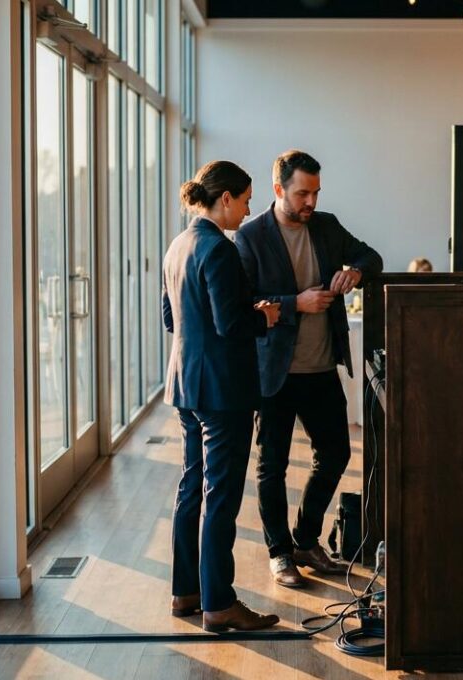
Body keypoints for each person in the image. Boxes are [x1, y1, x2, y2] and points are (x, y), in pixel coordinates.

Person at [234, 150, 383, 588]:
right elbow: (243, 304)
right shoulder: (250, 236)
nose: (311, 202)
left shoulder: (327, 226)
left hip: (320, 368)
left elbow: (371, 256)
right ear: (278, 189)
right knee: (272, 467)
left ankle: (304, 540)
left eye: (316, 192)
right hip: (274, 373)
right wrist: (294, 304)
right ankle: (279, 553)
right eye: (302, 193)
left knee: (336, 454)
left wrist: (355, 273)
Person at [162, 160, 281, 632]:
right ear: (225, 198)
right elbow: (231, 324)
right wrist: (264, 317)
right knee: (221, 494)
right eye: (246, 200)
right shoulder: (219, 249)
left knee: (192, 486)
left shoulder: (178, 246)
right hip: (223, 390)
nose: (249, 210)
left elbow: (171, 319)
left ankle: (185, 592)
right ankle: (219, 603)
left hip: (186, 384)